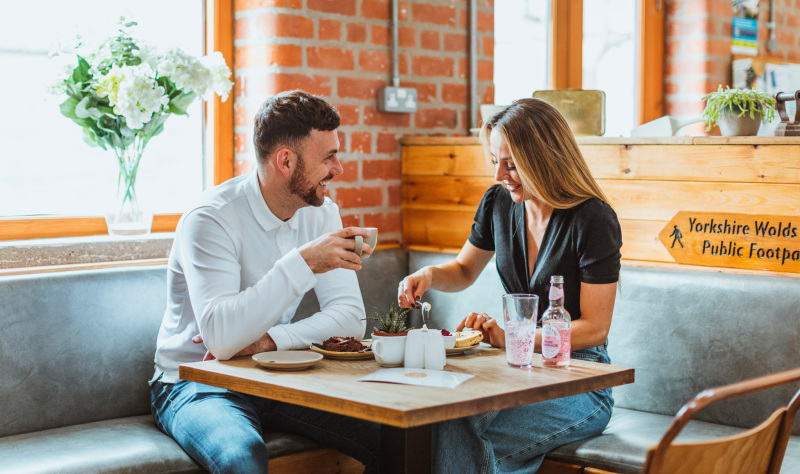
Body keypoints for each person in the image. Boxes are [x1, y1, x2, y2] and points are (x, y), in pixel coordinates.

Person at [150, 90, 380, 474]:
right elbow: (221, 341)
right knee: (242, 457)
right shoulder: (210, 219)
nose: (339, 169)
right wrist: (303, 262)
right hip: (196, 382)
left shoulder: (322, 214)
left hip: (276, 373)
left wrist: (269, 341)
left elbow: (350, 318)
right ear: (286, 161)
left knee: (392, 434)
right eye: (328, 157)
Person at [397, 97, 622, 473]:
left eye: (512, 164)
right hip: (516, 369)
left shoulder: (593, 218)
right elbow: (465, 269)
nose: (500, 174)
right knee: (445, 414)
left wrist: (513, 338)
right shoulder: (498, 203)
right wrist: (431, 276)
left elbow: (596, 327)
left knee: (457, 424)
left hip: (581, 381)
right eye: (495, 161)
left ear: (544, 159)